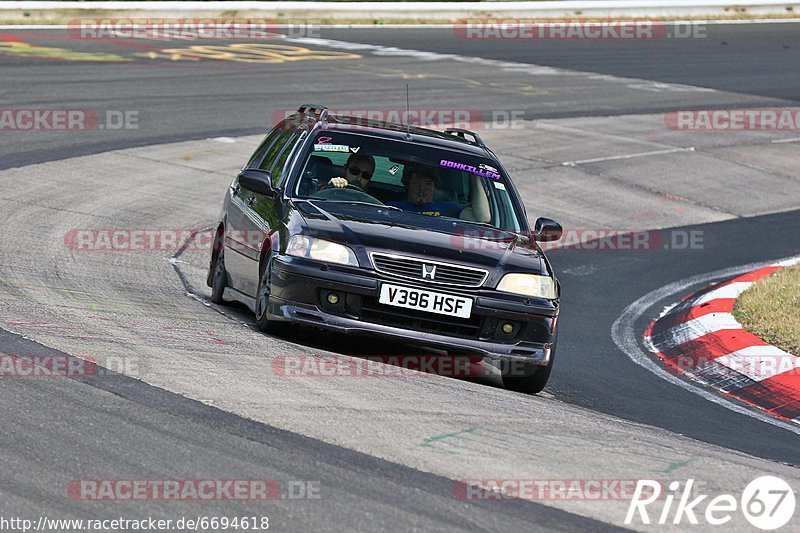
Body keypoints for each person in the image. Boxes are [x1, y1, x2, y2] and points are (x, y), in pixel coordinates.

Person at [389, 164, 491, 223]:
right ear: (408, 185)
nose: (422, 189)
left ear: (434, 188)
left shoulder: (449, 209)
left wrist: (475, 176)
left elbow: (482, 218)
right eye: (416, 183)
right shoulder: (393, 208)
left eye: (428, 184)